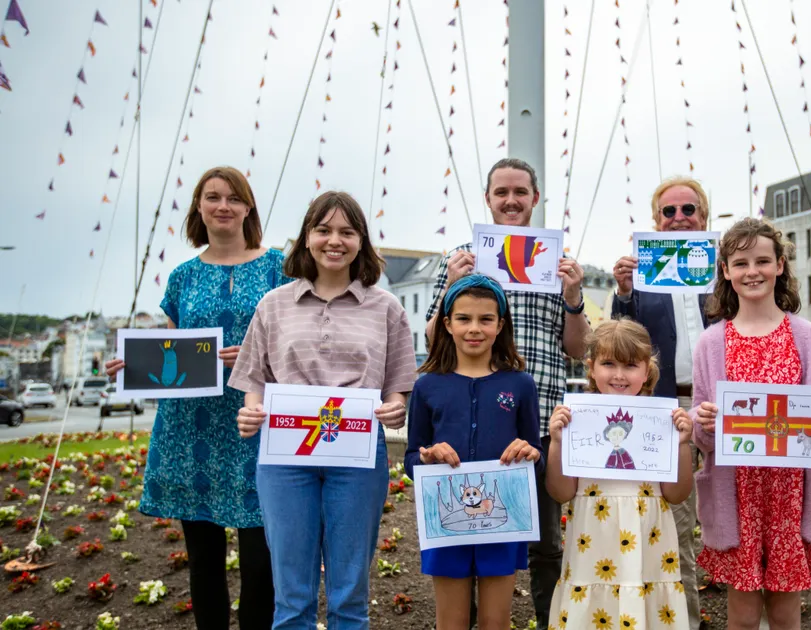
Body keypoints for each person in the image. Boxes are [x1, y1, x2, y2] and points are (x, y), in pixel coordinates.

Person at [104, 166, 283, 630]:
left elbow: (295, 344)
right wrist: (133, 367)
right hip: (191, 431)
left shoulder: (278, 267)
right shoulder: (183, 277)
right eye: (212, 197)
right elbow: (172, 352)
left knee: (260, 567)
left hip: (255, 426)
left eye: (233, 198)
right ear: (199, 208)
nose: (223, 206)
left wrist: (250, 355)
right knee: (203, 564)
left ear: (248, 207)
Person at [230, 191, 417, 630]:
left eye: (347, 232)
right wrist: (251, 411)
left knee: (349, 594)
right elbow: (254, 379)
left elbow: (397, 386)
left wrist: (395, 409)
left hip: (355, 459)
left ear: (361, 242)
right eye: (324, 230)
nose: (335, 241)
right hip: (284, 459)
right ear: (306, 239)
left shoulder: (386, 307)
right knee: (291, 596)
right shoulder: (273, 304)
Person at [424, 158, 589, 628]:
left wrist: (573, 296)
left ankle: (547, 621)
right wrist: (452, 284)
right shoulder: (459, 258)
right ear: (488, 199)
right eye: (502, 192)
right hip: (464, 422)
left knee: (543, 544)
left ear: (535, 198)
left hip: (536, 426)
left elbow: (578, 349)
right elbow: (434, 334)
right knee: (464, 533)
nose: (511, 200)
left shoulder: (558, 262)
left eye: (521, 191)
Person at [690, 218, 811, 630]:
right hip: (739, 495)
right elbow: (699, 428)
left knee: (786, 615)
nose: (753, 271)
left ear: (780, 265)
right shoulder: (711, 342)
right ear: (726, 271)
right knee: (743, 617)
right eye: (741, 262)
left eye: (763, 260)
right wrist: (703, 422)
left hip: (790, 496)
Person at [405, 274, 542, 630]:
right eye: (464, 319)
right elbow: (409, 459)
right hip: (447, 523)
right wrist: (426, 456)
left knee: (495, 623)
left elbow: (536, 457)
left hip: (503, 521)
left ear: (501, 325)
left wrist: (530, 453)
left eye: (486, 319)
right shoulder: (427, 386)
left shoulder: (520, 384)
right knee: (450, 623)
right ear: (447, 324)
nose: (474, 329)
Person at [545, 319, 694, 629]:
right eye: (608, 363)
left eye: (629, 365)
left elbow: (677, 494)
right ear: (591, 367)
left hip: (647, 550)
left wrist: (681, 445)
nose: (618, 375)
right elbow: (560, 492)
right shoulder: (576, 420)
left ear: (646, 370)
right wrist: (557, 443)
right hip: (592, 548)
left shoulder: (663, 422)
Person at [611, 176, 712, 629]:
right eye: (668, 212)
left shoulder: (727, 270)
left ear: (704, 218)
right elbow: (618, 346)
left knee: (744, 529)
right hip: (669, 415)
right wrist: (625, 293)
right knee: (675, 532)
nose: (678, 219)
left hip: (725, 410)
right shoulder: (642, 281)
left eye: (688, 210)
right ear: (655, 222)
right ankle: (683, 623)